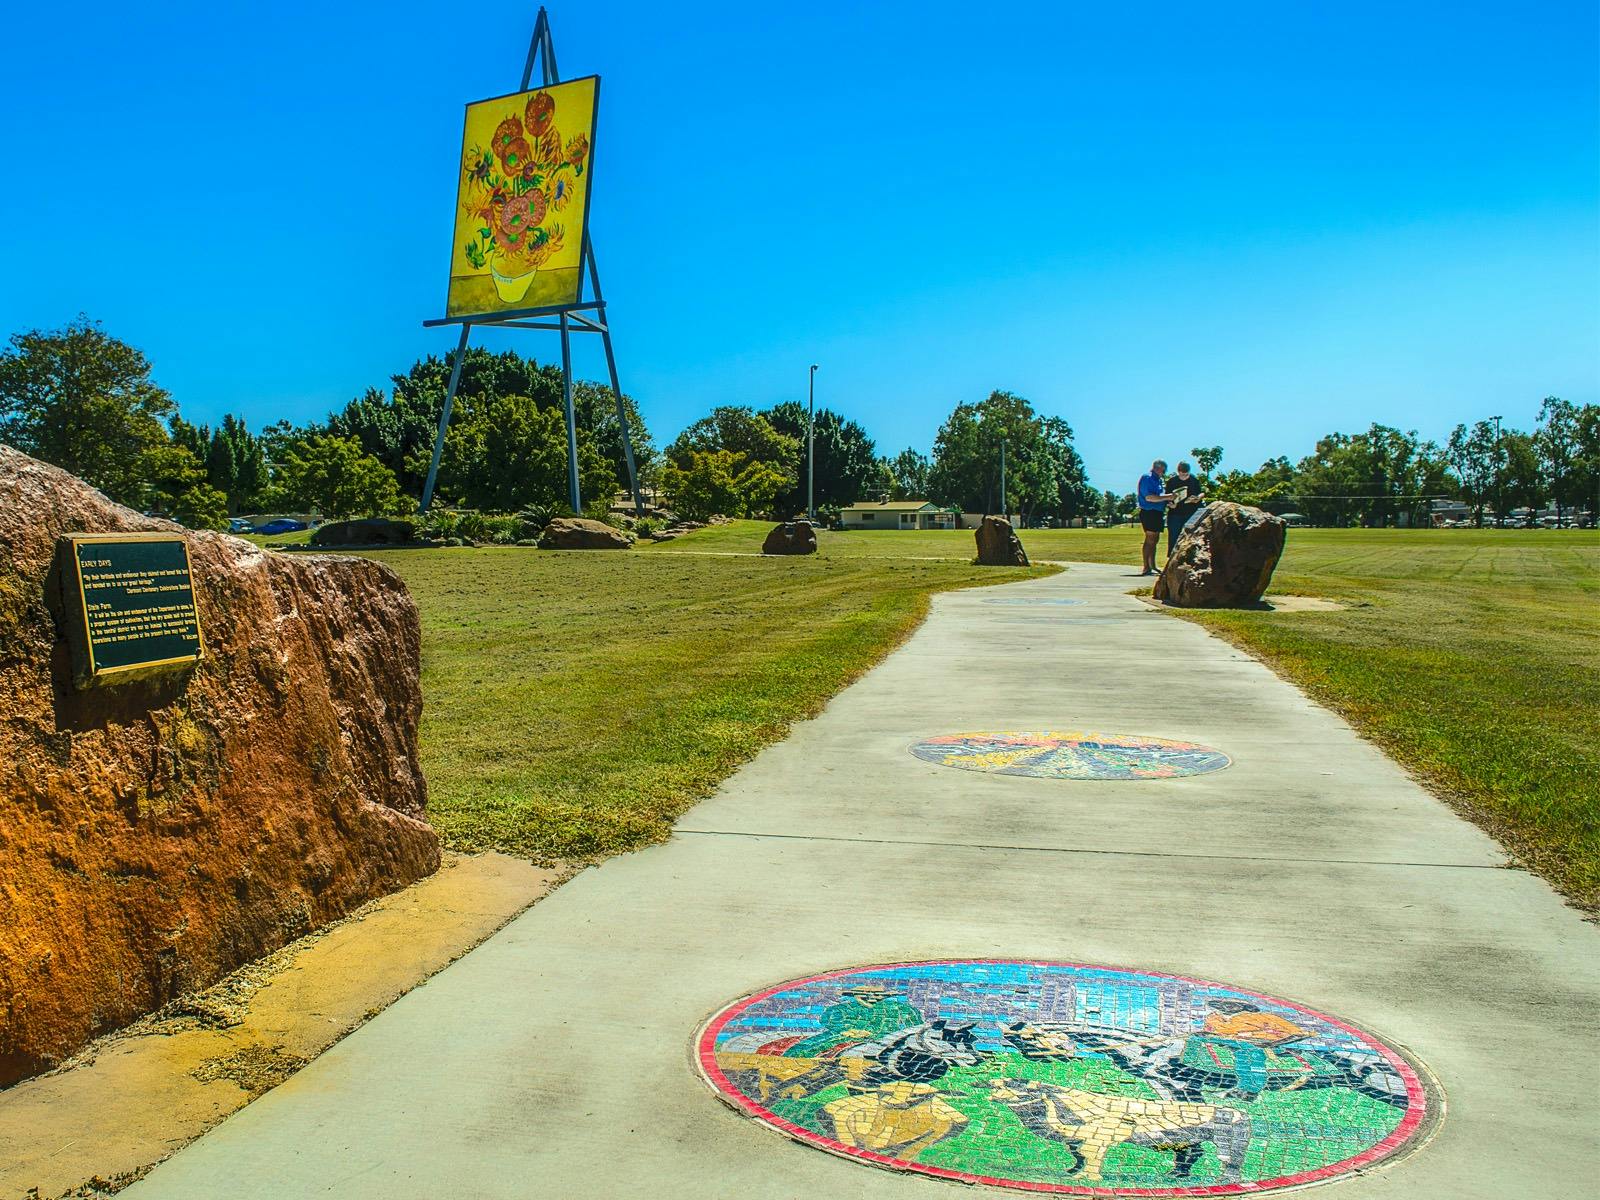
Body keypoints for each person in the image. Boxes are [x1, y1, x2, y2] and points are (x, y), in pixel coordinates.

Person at [1188, 998, 1308, 1101]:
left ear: (1244, 1007)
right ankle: (1189, 1075)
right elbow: (1211, 1033)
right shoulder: (1214, 1018)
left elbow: (1299, 1033)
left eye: (1235, 1004)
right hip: (1225, 1041)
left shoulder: (1263, 1017)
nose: (1229, 1006)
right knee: (1193, 1039)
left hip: (1257, 1043)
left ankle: (1249, 1091)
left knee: (1249, 1055)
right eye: (1224, 1004)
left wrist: (1273, 1043)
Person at [784, 983, 924, 1058]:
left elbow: (916, 1024)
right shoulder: (841, 1008)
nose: (871, 997)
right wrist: (849, 1031)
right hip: (846, 1036)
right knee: (808, 1047)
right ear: (855, 995)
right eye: (865, 995)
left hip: (889, 1039)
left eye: (877, 994)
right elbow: (828, 1021)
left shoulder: (901, 1008)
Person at [1135, 459, 1171, 574]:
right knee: (1150, 539)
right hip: (1148, 511)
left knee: (1155, 540)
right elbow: (1149, 497)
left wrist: (1169, 501)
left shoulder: (1160, 481)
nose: (1164, 473)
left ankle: (1152, 565)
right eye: (1163, 470)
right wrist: (1167, 497)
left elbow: (1160, 497)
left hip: (1158, 512)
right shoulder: (1147, 478)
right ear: (1157, 468)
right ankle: (1146, 566)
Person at [1164, 461, 1204, 558]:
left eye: (1186, 475)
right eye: (1182, 475)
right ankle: (1172, 560)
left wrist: (1198, 498)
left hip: (1190, 513)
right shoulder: (1171, 481)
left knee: (1190, 537)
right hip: (1175, 514)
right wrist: (1170, 504)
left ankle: (1189, 559)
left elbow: (1201, 493)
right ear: (1178, 472)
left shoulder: (1194, 480)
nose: (1184, 477)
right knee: (1174, 538)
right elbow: (1166, 497)